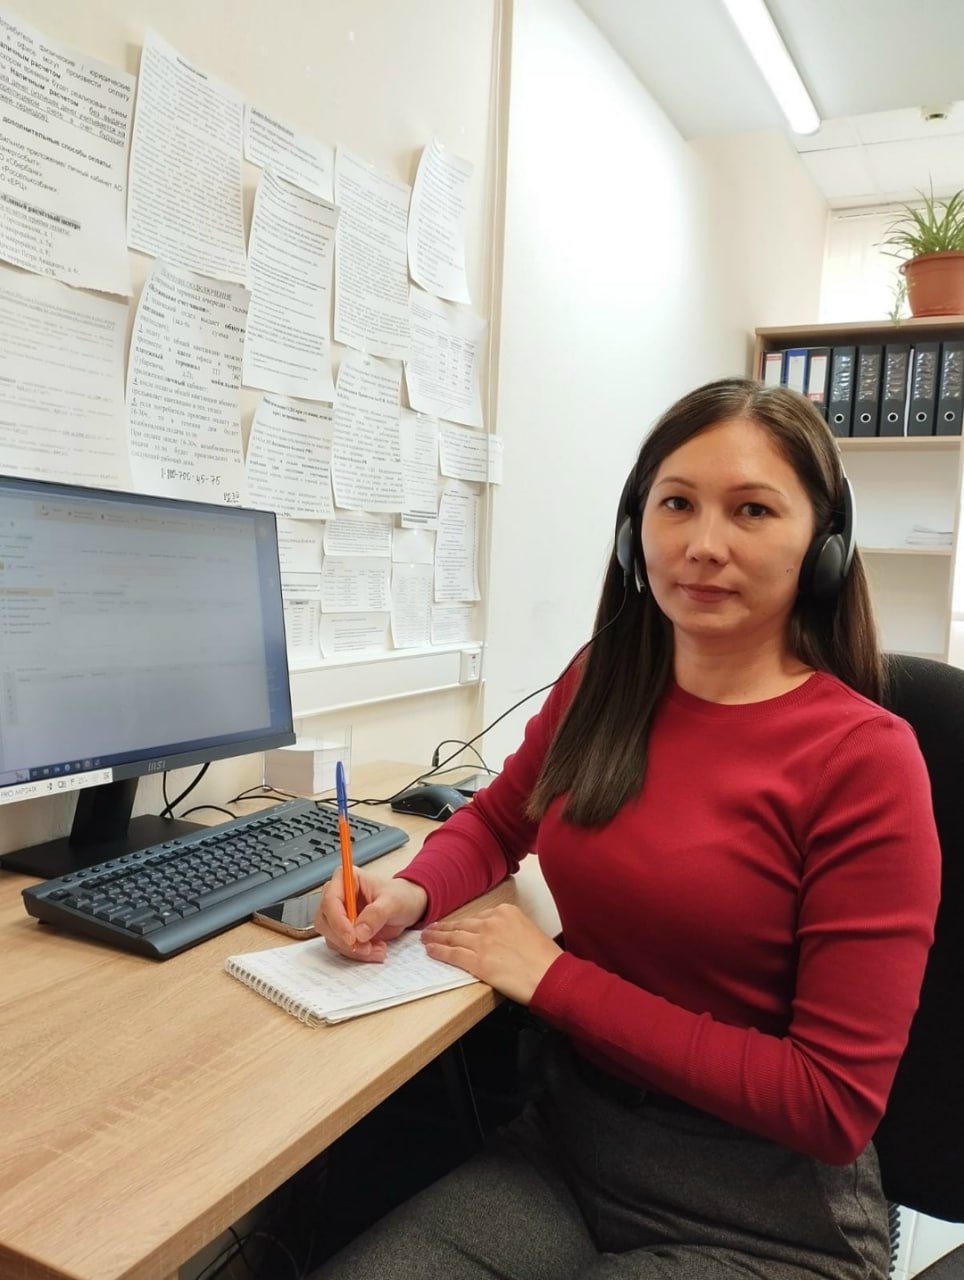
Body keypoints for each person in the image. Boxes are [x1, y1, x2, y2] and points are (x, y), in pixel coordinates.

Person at [312, 377, 941, 1280]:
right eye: (676, 503)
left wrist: (556, 980)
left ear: (825, 548)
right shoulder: (603, 682)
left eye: (753, 510)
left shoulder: (864, 760)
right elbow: (499, 820)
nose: (703, 544)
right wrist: (409, 891)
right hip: (568, 1146)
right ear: (632, 530)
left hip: (764, 1212)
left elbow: (831, 1103)